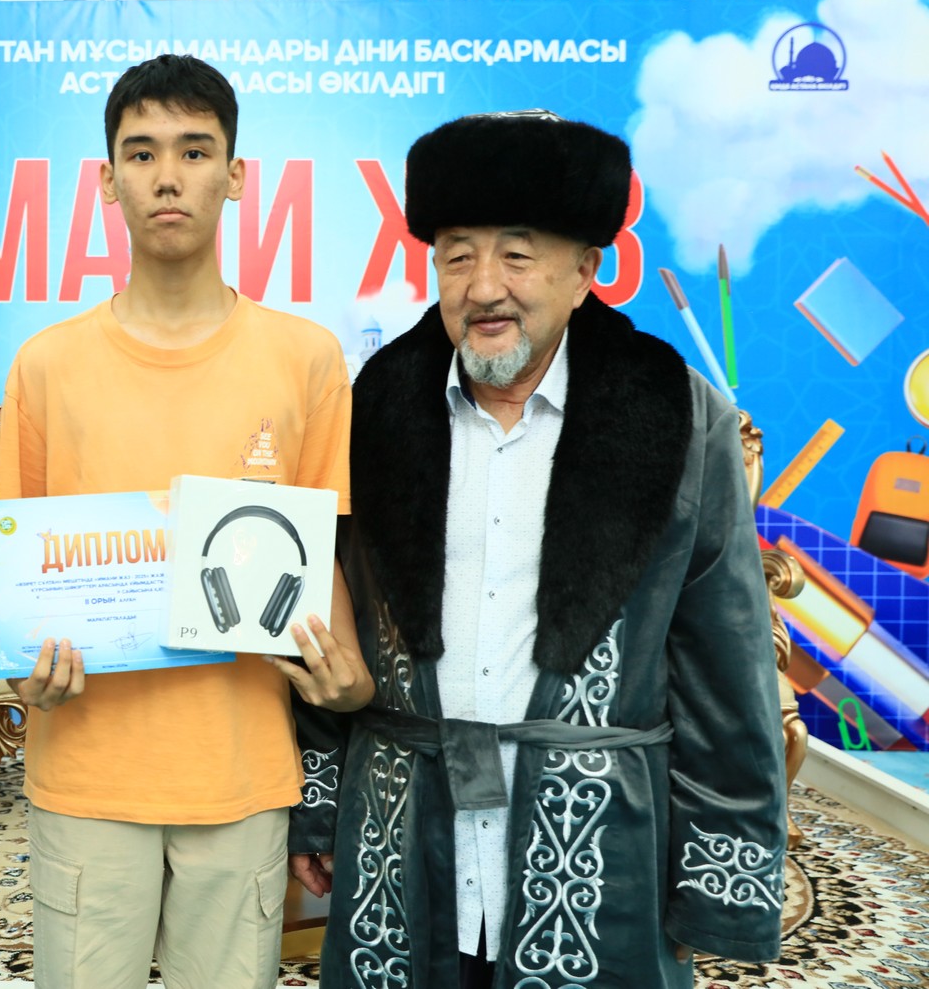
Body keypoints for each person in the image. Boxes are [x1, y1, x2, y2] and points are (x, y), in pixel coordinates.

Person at [290, 110, 788, 988]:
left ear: (585, 270)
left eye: (517, 255)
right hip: (402, 834)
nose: (484, 287)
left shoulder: (678, 418)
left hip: (599, 854)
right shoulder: (374, 410)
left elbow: (726, 663)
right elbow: (332, 611)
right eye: (457, 255)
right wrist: (318, 806)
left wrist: (720, 880)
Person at [0, 53, 373, 989]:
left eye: (196, 151)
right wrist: (24, 672)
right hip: (87, 770)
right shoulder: (46, 365)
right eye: (143, 152)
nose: (169, 176)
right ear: (107, 179)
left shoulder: (307, 358)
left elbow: (319, 545)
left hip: (241, 771)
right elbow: (21, 581)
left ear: (235, 176)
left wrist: (350, 676)